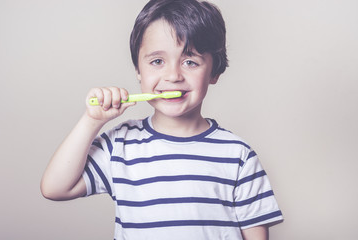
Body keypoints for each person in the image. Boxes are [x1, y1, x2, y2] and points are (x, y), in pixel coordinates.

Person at [40, 0, 283, 239]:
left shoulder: (238, 155)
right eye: (157, 61)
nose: (173, 75)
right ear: (138, 70)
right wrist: (92, 121)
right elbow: (55, 188)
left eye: (190, 61)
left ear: (214, 71)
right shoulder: (120, 145)